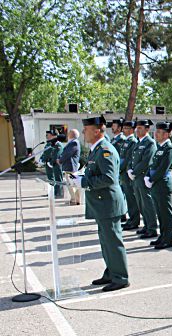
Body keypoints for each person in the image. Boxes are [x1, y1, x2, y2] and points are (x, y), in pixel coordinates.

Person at [71, 116, 129, 292]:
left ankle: (121, 277)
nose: (83, 132)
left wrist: (84, 182)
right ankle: (111, 272)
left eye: (86, 129)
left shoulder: (105, 150)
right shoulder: (96, 149)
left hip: (108, 203)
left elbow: (109, 178)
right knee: (105, 242)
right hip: (101, 204)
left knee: (113, 242)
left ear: (97, 131)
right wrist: (82, 177)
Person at [145, 122, 172, 250]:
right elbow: (153, 165)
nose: (156, 134)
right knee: (160, 212)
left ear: (166, 134)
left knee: (166, 213)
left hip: (163, 184)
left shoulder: (169, 149)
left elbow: (163, 168)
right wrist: (148, 176)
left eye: (159, 132)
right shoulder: (160, 148)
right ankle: (162, 236)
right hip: (156, 184)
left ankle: (167, 239)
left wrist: (151, 178)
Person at [127, 119, 158, 239]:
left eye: (140, 128)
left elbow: (146, 161)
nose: (137, 130)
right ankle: (146, 225)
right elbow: (131, 158)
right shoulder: (138, 143)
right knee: (140, 204)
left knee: (147, 203)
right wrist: (129, 169)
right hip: (136, 178)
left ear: (147, 129)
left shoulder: (150, 143)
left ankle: (152, 228)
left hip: (143, 176)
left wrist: (134, 172)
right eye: (137, 128)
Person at [121, 121, 141, 231]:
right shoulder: (126, 141)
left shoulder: (133, 141)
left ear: (132, 130)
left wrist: (120, 169)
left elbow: (128, 158)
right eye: (123, 128)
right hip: (124, 174)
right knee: (128, 197)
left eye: (126, 128)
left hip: (127, 174)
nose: (124, 130)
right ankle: (131, 218)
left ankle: (134, 220)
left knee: (131, 198)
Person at [58, 129, 81, 205]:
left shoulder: (74, 143)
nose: (67, 134)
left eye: (69, 133)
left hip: (71, 167)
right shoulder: (72, 142)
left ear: (72, 135)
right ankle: (74, 199)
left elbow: (67, 154)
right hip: (69, 166)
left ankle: (75, 199)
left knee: (72, 184)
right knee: (71, 184)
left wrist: (60, 160)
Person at [111, 118, 127, 222]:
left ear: (120, 128)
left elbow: (122, 157)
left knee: (121, 193)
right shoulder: (114, 139)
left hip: (120, 170)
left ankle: (123, 214)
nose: (112, 127)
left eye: (114, 125)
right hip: (115, 169)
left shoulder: (122, 140)